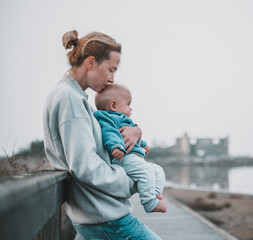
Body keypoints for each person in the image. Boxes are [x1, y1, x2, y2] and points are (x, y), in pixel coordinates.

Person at [43, 30, 162, 240]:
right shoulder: (69, 99)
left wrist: (136, 131)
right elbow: (85, 166)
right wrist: (133, 182)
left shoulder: (76, 97)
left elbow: (107, 130)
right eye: (110, 69)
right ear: (90, 62)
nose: (112, 79)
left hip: (99, 214)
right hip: (105, 220)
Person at [94, 84, 166, 213]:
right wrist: (116, 147)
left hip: (133, 158)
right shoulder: (107, 118)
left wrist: (143, 144)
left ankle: (154, 194)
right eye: (128, 104)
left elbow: (132, 136)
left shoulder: (125, 120)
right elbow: (110, 133)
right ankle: (149, 203)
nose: (131, 108)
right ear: (113, 105)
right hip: (124, 158)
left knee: (157, 170)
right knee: (146, 172)